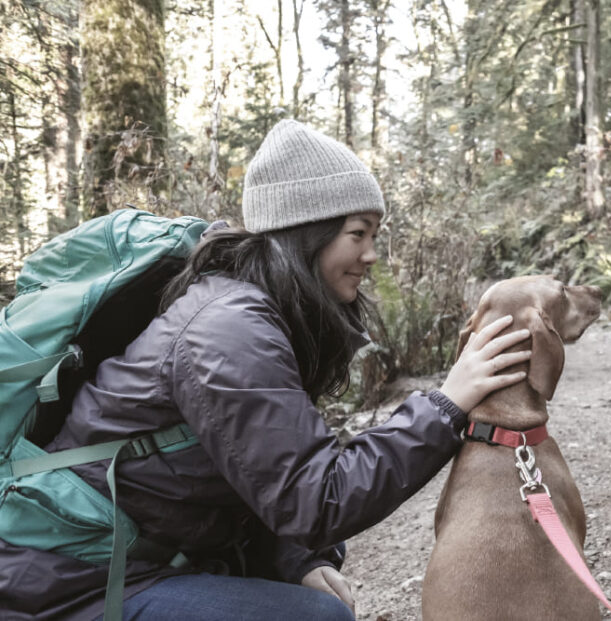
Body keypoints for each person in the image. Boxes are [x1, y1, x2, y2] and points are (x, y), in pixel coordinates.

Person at [0, 119, 532, 620]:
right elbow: (319, 498)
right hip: (73, 580)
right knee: (317, 617)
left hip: (149, 554)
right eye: (358, 233)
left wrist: (301, 561)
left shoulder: (261, 313)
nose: (371, 254)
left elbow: (271, 476)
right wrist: (446, 404)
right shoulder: (228, 330)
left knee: (314, 571)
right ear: (308, 231)